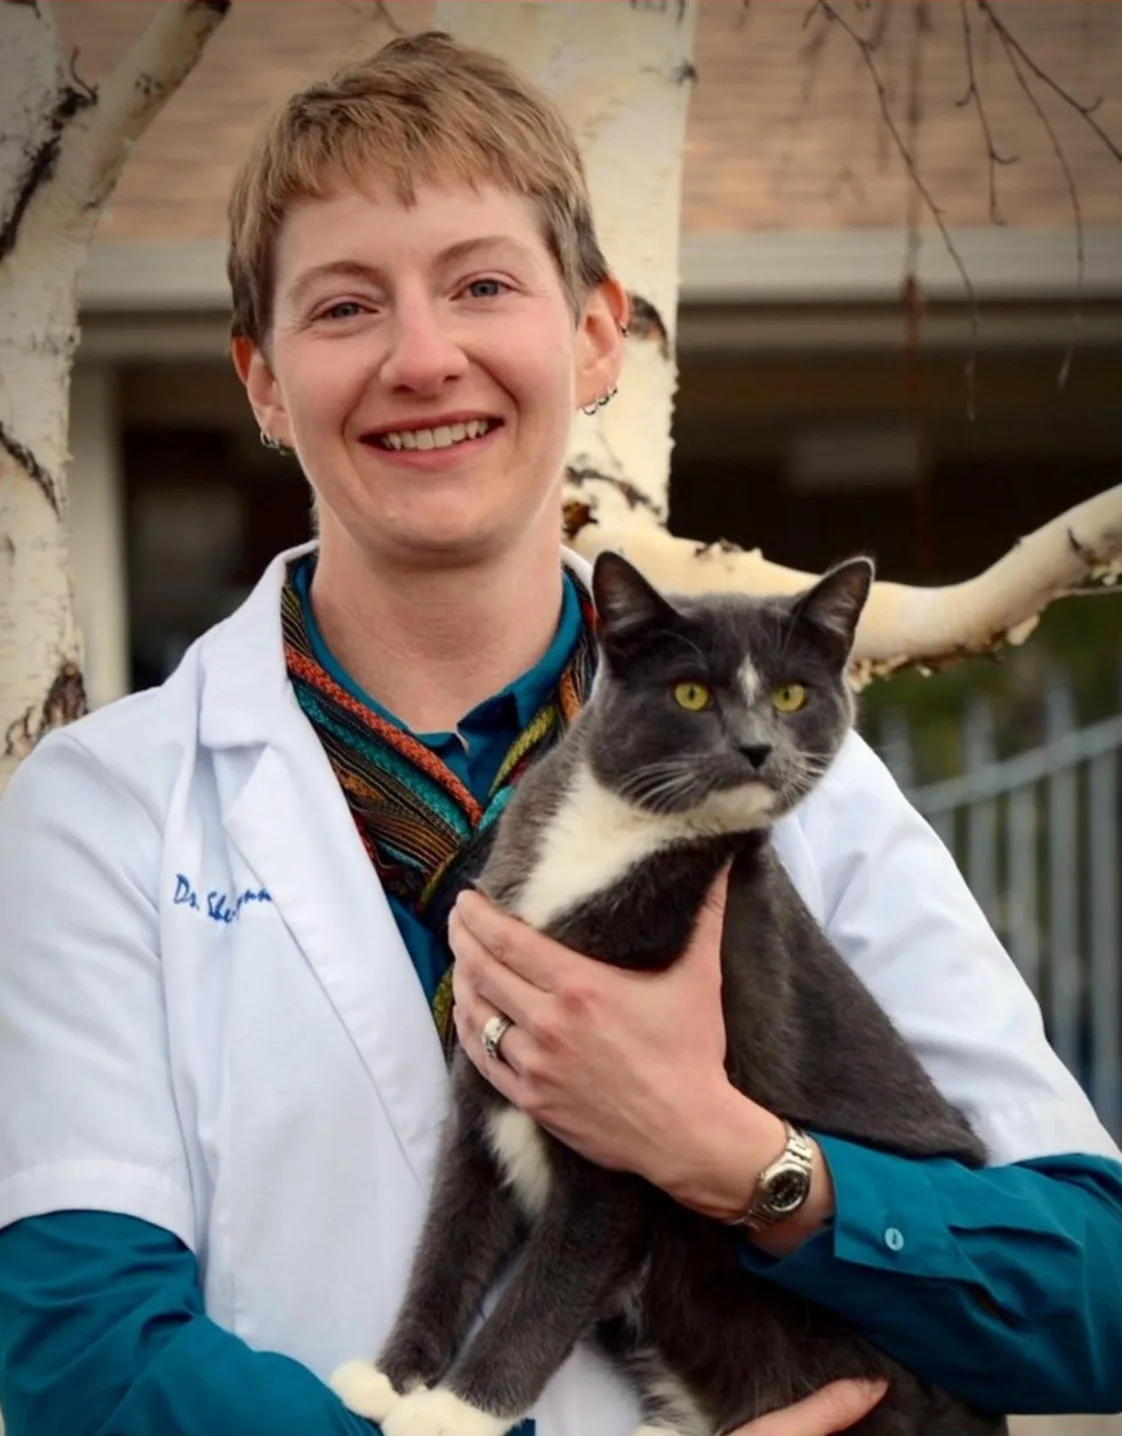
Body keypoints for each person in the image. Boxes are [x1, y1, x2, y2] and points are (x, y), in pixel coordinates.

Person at [0, 29, 1120, 1436]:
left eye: (481, 285)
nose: (424, 357)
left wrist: (748, 1162)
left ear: (596, 335)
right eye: (345, 308)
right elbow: (83, 1365)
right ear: (262, 381)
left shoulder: (791, 784)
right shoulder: (106, 808)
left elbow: (1094, 1299)